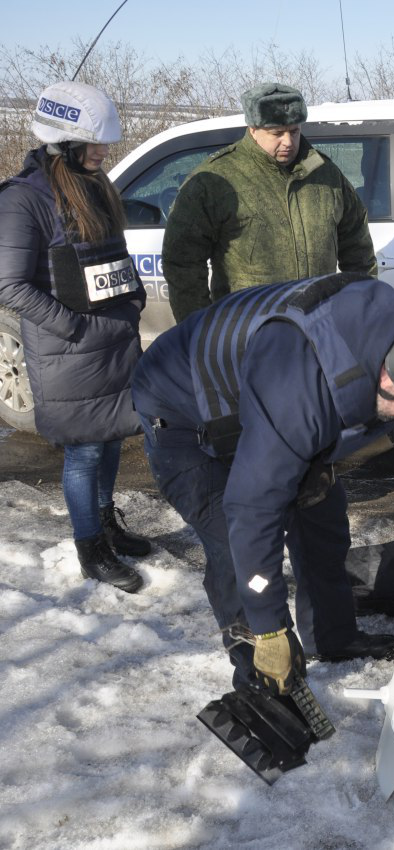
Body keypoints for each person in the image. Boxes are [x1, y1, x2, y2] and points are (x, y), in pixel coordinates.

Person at [131, 273, 394, 693]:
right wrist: (268, 628)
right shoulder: (299, 384)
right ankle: (261, 671)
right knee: (233, 543)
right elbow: (252, 508)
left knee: (322, 520)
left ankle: (332, 636)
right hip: (183, 408)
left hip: (267, 399)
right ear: (391, 376)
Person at [0, 81, 151, 593]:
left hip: (112, 340)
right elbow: (10, 285)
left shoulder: (92, 187)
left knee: (111, 439)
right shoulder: (24, 200)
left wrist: (133, 303)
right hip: (69, 350)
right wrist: (73, 328)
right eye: (95, 144)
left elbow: (113, 257)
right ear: (62, 143)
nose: (104, 153)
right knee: (84, 452)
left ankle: (107, 523)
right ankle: (91, 549)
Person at [162, 82, 377, 322]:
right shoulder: (217, 180)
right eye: (277, 133)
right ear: (253, 129)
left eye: (294, 131)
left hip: (317, 327)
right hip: (247, 332)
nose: (288, 141)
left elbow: (358, 251)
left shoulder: (326, 175)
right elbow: (183, 263)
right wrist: (201, 329)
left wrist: (359, 310)